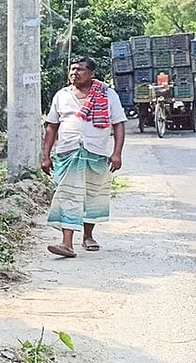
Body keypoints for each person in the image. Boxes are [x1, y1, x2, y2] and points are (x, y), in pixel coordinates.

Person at [41, 56, 126, 258]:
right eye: (72, 69)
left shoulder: (107, 94)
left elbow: (119, 124)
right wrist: (46, 155)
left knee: (93, 196)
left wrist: (117, 153)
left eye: (79, 69)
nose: (74, 73)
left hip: (96, 152)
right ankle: (66, 243)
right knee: (67, 195)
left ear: (91, 74)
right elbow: (52, 126)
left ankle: (88, 236)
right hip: (68, 152)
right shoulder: (61, 95)